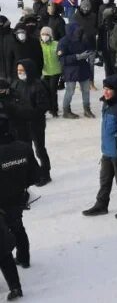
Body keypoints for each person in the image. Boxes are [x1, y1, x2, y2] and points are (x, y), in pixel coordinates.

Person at [81, 75, 117, 219]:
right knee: (104, 179)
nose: (105, 92)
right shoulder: (107, 103)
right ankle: (101, 204)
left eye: (109, 90)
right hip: (107, 151)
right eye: (104, 88)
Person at [0, 111, 38, 288]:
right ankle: (24, 257)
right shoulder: (24, 147)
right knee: (18, 227)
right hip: (19, 197)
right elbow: (35, 175)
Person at [10, 60, 51, 186]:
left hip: (36, 123)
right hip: (22, 124)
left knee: (39, 148)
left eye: (22, 70)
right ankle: (32, 173)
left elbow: (43, 106)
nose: (20, 73)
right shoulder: (16, 84)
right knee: (26, 149)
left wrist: (27, 113)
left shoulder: (38, 85)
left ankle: (45, 173)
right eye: (18, 71)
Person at [39, 26, 62, 118]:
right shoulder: (39, 45)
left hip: (55, 71)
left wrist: (60, 53)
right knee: (46, 91)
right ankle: (48, 107)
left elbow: (60, 55)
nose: (45, 36)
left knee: (53, 91)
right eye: (43, 34)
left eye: (47, 34)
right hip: (44, 72)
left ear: (50, 35)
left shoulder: (56, 44)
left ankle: (54, 109)